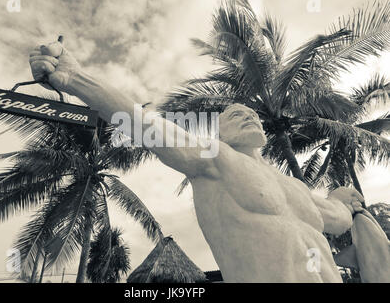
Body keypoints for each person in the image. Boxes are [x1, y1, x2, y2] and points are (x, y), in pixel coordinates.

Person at [29, 39, 365, 282]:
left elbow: (336, 219)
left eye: (251, 114)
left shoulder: (294, 186)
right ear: (218, 133)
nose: (248, 116)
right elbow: (144, 124)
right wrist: (75, 80)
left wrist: (344, 200)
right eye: (236, 115)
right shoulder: (215, 159)